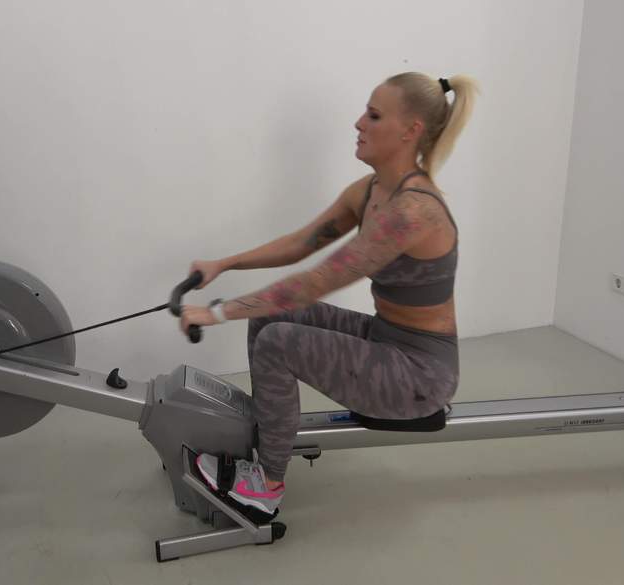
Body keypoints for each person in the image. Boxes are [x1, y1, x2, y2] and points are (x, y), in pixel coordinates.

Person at [180, 72, 479, 516]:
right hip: (386, 338)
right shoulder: (371, 191)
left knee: (279, 342)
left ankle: (266, 488)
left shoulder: (413, 211)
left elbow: (317, 281)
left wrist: (217, 313)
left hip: (419, 375)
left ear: (410, 130)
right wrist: (224, 264)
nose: (358, 123)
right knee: (269, 319)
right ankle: (263, 437)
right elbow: (301, 244)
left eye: (373, 115)